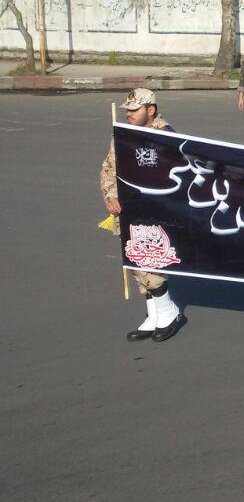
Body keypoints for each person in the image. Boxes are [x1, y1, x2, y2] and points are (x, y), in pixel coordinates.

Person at [100, 88, 184, 342]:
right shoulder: (123, 136)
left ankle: (169, 311)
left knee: (149, 259)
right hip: (129, 210)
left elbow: (176, 172)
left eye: (134, 110)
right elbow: (109, 167)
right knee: (136, 263)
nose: (129, 114)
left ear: (151, 110)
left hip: (153, 211)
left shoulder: (165, 136)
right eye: (127, 110)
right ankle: (154, 316)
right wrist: (111, 196)